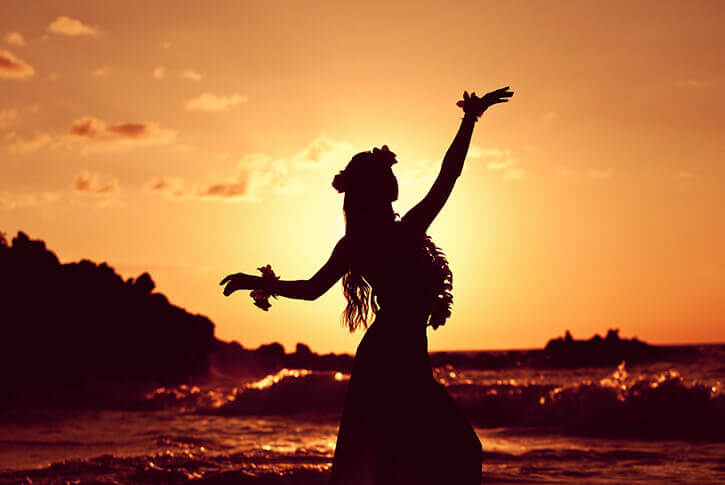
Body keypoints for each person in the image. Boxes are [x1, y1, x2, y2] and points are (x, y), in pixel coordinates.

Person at [220, 87, 514, 484]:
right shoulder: (381, 238)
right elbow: (311, 289)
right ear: (375, 189)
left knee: (424, 457)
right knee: (407, 459)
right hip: (388, 359)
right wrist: (258, 282)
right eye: (386, 174)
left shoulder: (401, 231)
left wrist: (470, 120)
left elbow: (449, 176)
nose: (394, 176)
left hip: (405, 359)